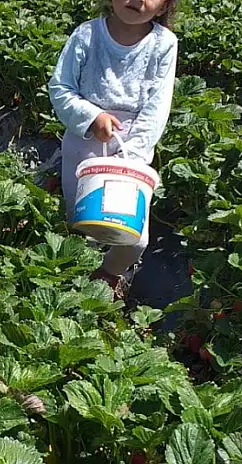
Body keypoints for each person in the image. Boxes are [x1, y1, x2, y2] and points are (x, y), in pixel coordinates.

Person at [48, 0, 179, 298]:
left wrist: (131, 155)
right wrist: (91, 116)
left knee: (134, 238)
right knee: (82, 218)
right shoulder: (86, 35)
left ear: (163, 8)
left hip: (132, 151)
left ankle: (109, 271)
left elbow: (157, 107)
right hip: (84, 144)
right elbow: (60, 87)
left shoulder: (164, 44)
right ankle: (75, 272)